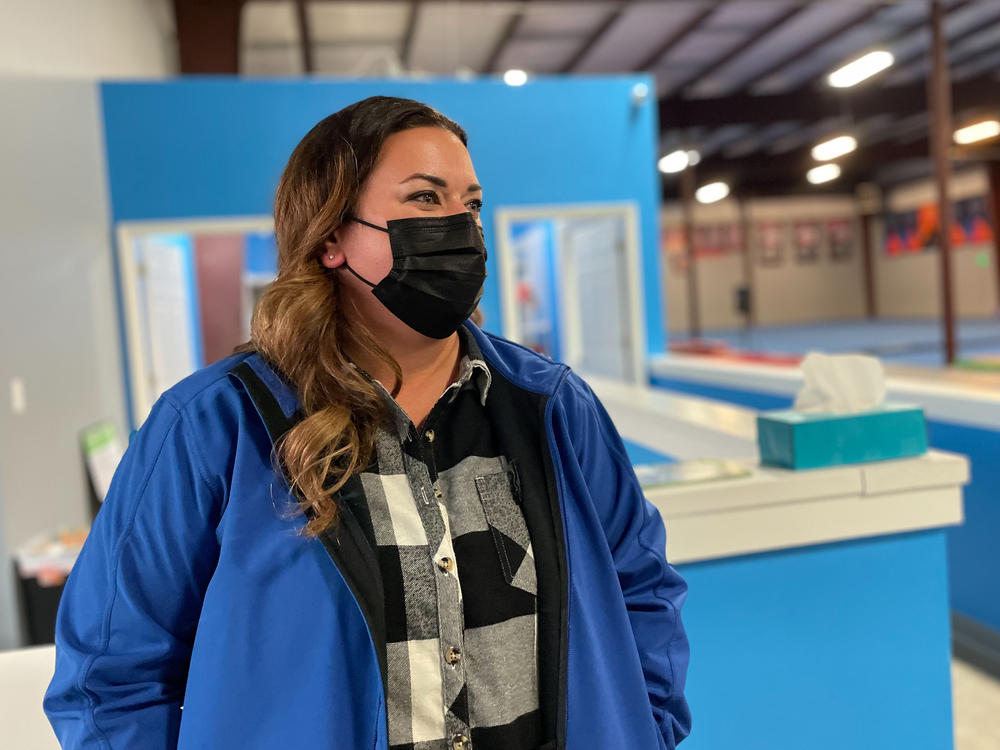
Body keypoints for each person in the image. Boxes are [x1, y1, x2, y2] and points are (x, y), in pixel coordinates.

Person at [44, 96, 691, 750]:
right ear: (330, 238)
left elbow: (642, 592)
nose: (460, 225)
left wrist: (644, 732)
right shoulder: (216, 425)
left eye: (471, 204)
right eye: (424, 199)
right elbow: (108, 676)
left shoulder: (552, 408)